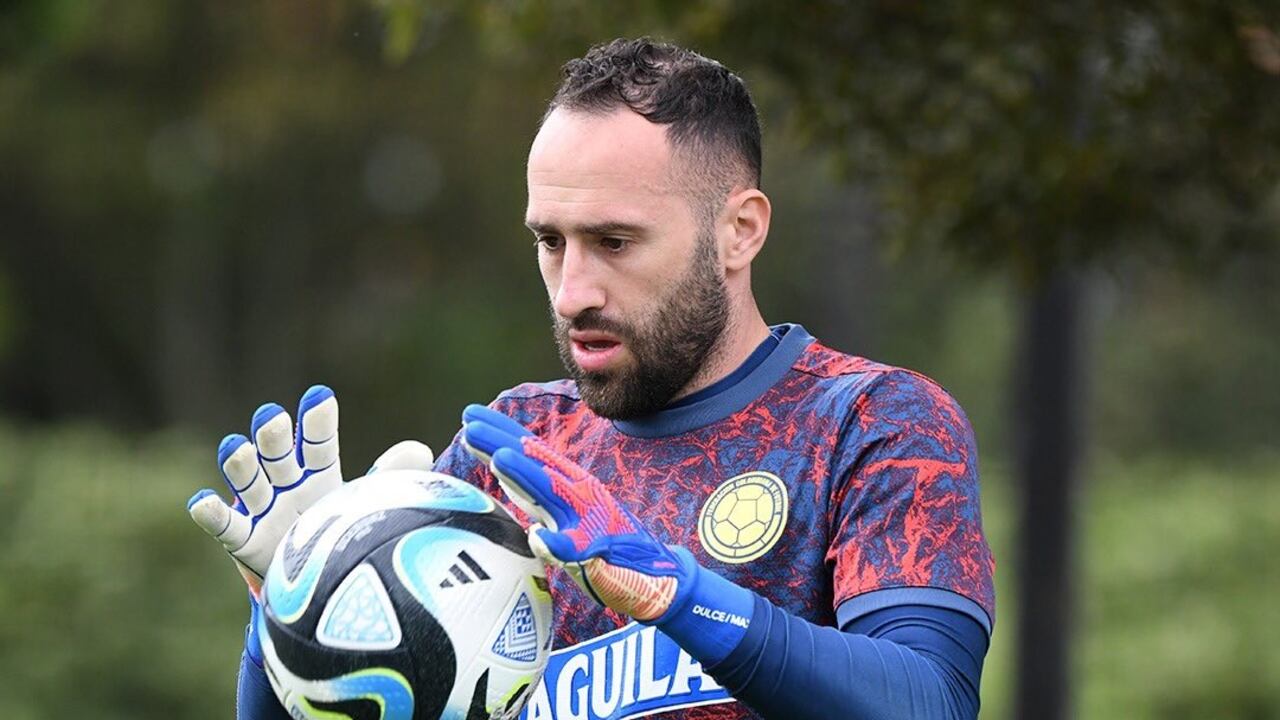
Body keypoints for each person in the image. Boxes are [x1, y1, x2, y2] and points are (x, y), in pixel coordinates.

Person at [189, 38, 995, 720]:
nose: (572, 291)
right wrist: (295, 625)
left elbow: (931, 701)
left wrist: (680, 596)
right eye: (551, 242)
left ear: (739, 231)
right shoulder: (510, 454)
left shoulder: (870, 423)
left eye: (614, 242)